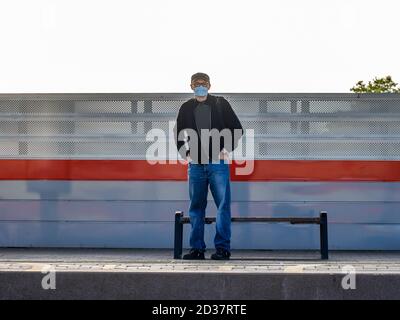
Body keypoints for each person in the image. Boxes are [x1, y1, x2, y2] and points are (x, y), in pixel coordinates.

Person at [173, 72, 243, 260]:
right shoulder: (186, 107)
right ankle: (197, 249)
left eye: (203, 83)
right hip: (196, 165)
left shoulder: (221, 104)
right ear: (191, 86)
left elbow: (237, 129)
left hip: (217, 163)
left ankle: (222, 249)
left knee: (222, 207)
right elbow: (178, 133)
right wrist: (185, 154)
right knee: (196, 208)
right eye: (196, 83)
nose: (200, 86)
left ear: (210, 86)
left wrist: (226, 148)